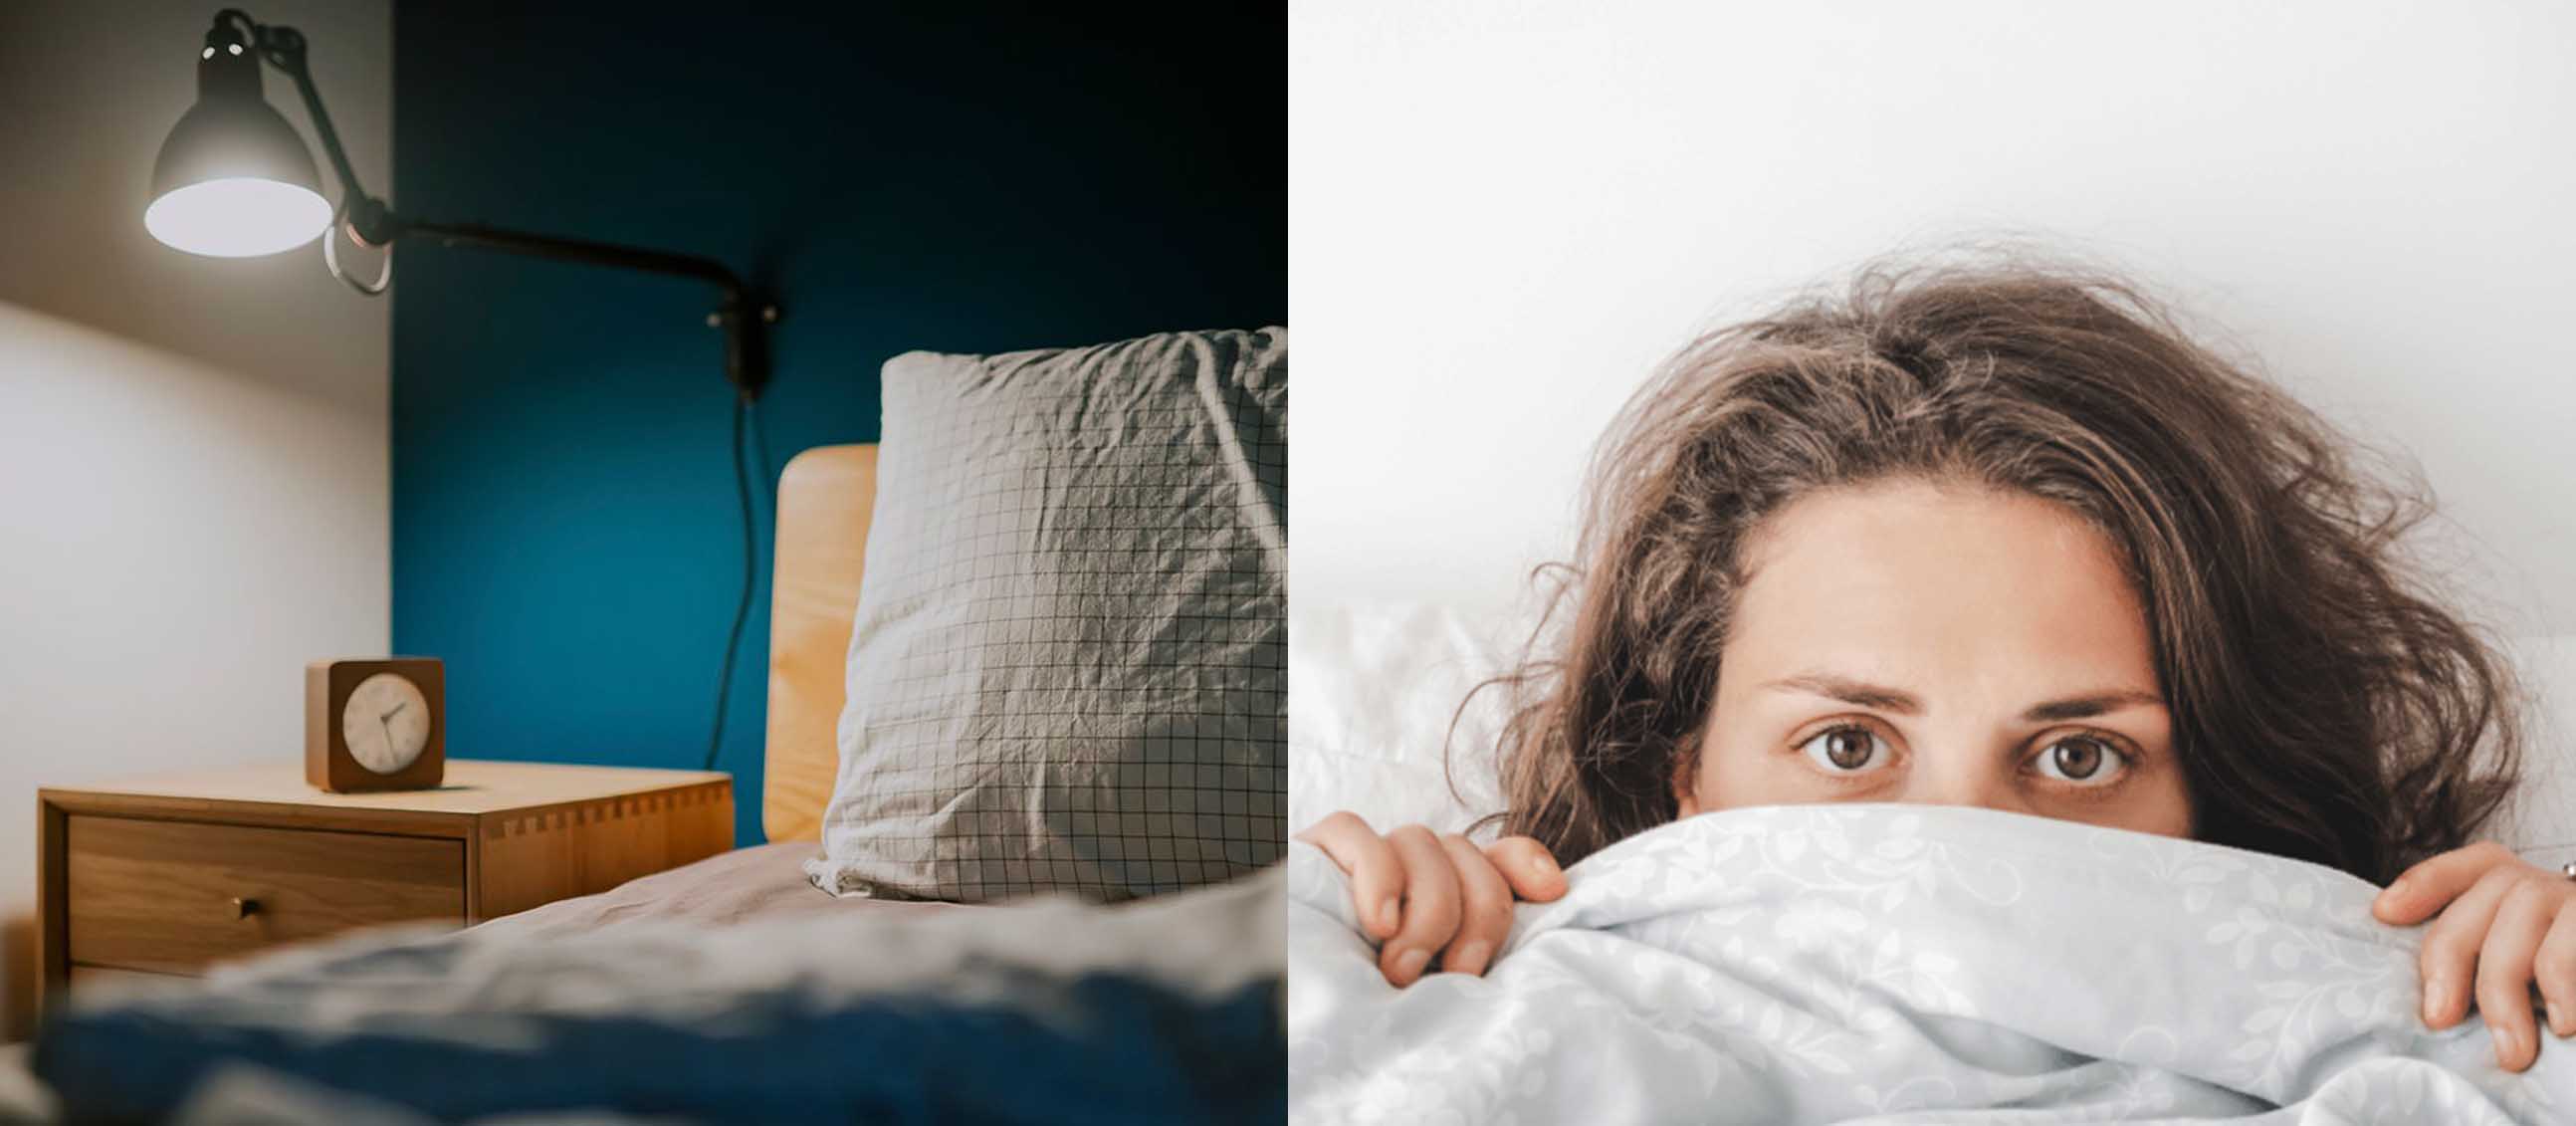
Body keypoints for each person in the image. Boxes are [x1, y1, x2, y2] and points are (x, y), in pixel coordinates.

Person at [1295, 255, 2572, 1072]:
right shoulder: (1483, 1010)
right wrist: (1336, 937)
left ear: (2210, 797)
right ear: (1683, 768)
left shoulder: (2407, 1045)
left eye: (2078, 757)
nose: (1959, 842)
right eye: (1847, 745)